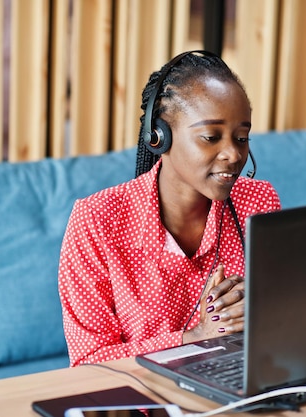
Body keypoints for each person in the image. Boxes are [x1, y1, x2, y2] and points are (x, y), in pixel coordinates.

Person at [58, 50, 281, 367]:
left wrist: (263, 306)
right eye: (210, 136)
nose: (233, 153)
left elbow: (282, 321)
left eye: (242, 137)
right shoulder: (96, 220)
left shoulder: (257, 202)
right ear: (159, 137)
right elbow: (89, 361)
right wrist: (196, 336)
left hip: (235, 390)